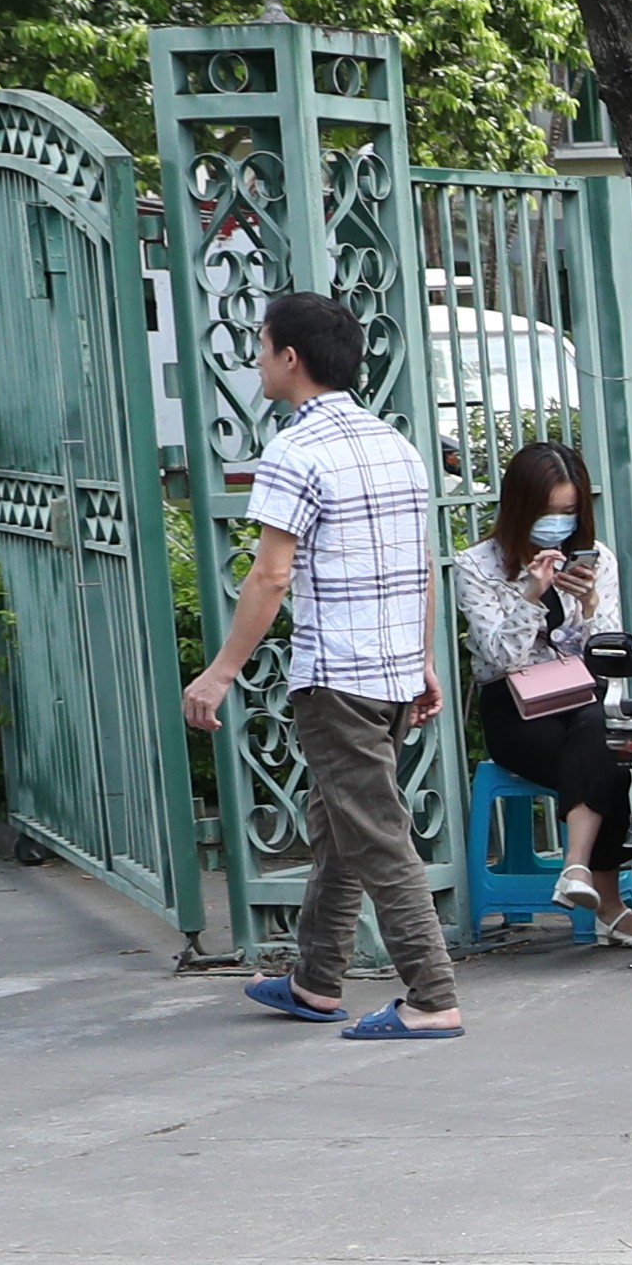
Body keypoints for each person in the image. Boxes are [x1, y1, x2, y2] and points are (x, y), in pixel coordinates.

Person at [183, 292, 464, 1042]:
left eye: (262, 344)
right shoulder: (396, 445)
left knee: (372, 831)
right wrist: (424, 660)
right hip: (395, 672)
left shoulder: (296, 452)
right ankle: (314, 980)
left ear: (290, 358)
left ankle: (431, 996)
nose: (256, 358)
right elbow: (422, 568)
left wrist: (219, 673)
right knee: (339, 823)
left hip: (338, 678)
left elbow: (271, 576)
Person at [451, 441, 632, 946]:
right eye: (548, 511)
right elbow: (498, 659)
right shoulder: (477, 565)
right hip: (515, 710)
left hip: (579, 698)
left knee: (596, 731)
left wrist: (592, 604)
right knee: (606, 761)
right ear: (521, 508)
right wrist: (531, 597)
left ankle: (575, 868)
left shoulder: (595, 558)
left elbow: (609, 654)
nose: (558, 522)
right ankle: (611, 905)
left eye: (569, 511)